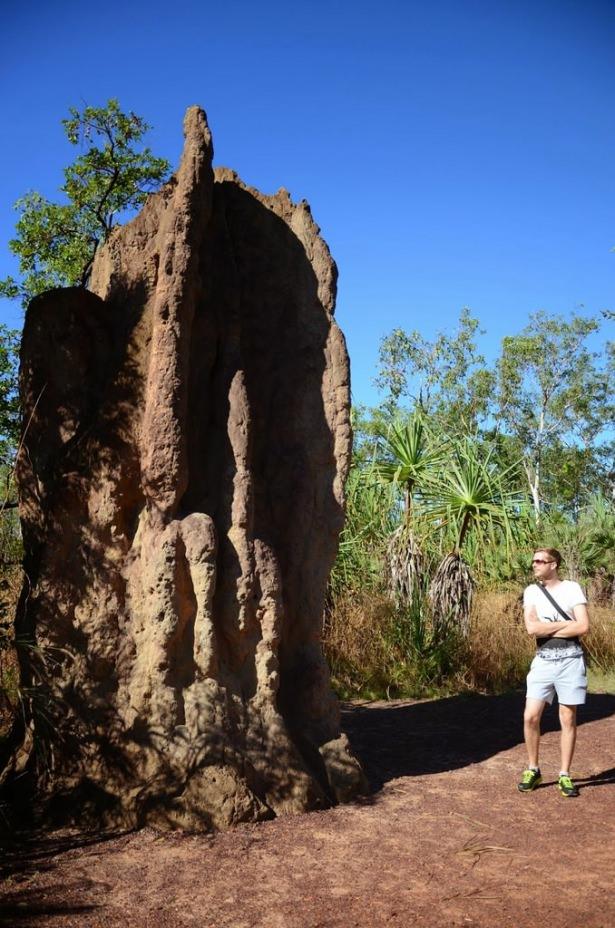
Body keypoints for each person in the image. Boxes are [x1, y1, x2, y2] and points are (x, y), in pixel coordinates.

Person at [517, 547, 590, 798]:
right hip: (543, 662)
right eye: (534, 561)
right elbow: (531, 629)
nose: (535, 565)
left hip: (571, 661)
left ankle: (564, 774)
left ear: (554, 564)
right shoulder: (531, 591)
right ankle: (533, 768)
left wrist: (547, 627)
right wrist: (565, 625)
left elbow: (583, 626)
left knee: (567, 719)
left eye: (540, 561)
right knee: (530, 717)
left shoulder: (572, 588)